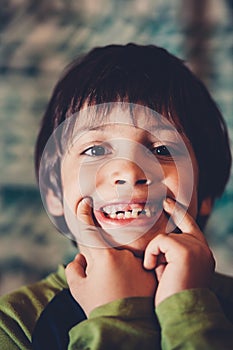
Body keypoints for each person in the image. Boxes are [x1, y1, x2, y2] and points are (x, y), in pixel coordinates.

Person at [0, 43, 233, 350]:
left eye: (162, 149)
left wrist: (188, 310)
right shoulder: (15, 324)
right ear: (54, 192)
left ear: (204, 192)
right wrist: (119, 318)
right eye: (96, 150)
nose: (128, 171)